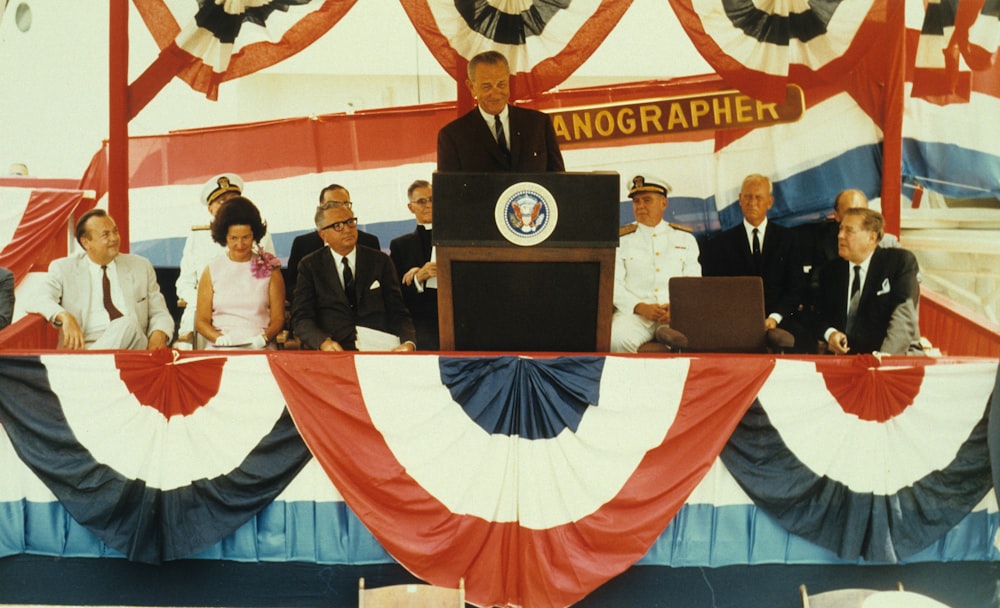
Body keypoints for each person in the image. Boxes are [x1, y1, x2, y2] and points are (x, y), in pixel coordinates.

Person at [25, 209, 173, 349]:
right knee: (125, 324)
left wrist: (159, 333)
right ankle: (94, 361)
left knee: (127, 323)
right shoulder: (64, 268)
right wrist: (64, 316)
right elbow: (37, 298)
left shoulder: (140, 266)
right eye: (105, 235)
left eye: (115, 231)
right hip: (85, 346)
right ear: (85, 242)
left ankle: (90, 367)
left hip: (133, 347)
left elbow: (160, 312)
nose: (114, 238)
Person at [292, 199, 415, 351]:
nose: (347, 229)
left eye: (350, 222)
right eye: (338, 226)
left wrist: (408, 342)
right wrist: (322, 342)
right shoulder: (310, 265)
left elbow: (398, 312)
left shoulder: (380, 261)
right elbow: (301, 318)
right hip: (333, 351)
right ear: (323, 234)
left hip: (378, 349)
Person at [700, 173, 805, 350]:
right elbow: (715, 291)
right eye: (747, 197)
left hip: (779, 321)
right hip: (735, 323)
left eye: (758, 197)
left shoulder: (789, 240)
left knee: (803, 343)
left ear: (769, 202)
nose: (752, 202)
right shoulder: (720, 244)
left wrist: (774, 318)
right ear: (740, 199)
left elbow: (796, 289)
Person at [175, 173, 274, 347]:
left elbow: (269, 278)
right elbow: (184, 284)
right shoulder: (197, 237)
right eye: (221, 201)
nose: (228, 205)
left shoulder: (259, 234)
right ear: (210, 209)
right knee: (187, 342)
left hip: (249, 309)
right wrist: (210, 301)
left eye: (233, 199)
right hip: (202, 309)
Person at [814, 208, 922, 355]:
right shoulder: (830, 271)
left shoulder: (899, 262)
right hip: (844, 361)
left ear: (872, 237)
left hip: (889, 356)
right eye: (840, 230)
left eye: (849, 231)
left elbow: (903, 316)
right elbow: (817, 314)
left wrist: (883, 361)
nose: (840, 236)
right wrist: (830, 334)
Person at [611, 175, 700, 352]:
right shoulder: (621, 240)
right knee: (617, 340)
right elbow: (613, 285)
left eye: (647, 200)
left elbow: (694, 283)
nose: (641, 206)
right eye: (636, 201)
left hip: (675, 313)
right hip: (634, 314)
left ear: (664, 204)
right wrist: (640, 307)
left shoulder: (685, 239)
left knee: (693, 341)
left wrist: (676, 308)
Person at [437, 50, 565, 172]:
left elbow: (559, 182)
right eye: (487, 86)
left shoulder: (539, 124)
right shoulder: (452, 137)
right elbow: (450, 192)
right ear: (471, 87)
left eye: (501, 84)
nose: (496, 93)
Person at [195, 197, 285, 350]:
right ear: (224, 236)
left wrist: (265, 338)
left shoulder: (270, 269)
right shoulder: (212, 269)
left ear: (254, 234)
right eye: (233, 238)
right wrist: (219, 338)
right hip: (222, 346)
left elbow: (278, 318)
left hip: (259, 346)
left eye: (246, 237)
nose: (240, 244)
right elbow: (201, 321)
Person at [285, 183, 381, 303]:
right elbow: (292, 287)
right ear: (321, 208)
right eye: (333, 204)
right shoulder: (303, 244)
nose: (341, 209)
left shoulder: (369, 242)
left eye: (346, 204)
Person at [800, 188, 901, 272]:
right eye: (850, 212)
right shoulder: (826, 243)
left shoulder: (888, 243)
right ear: (836, 216)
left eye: (861, 211)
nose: (856, 217)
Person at [390, 180, 439, 350]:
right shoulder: (400, 246)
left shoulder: (458, 239)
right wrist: (419, 278)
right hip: (423, 326)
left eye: (432, 199)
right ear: (411, 208)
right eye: (422, 201)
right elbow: (396, 294)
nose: (428, 205)